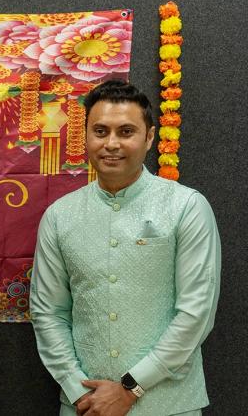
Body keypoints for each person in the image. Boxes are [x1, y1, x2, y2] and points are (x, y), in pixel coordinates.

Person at [30, 80, 221, 416]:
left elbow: (196, 314)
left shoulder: (186, 207)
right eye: (100, 131)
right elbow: (48, 313)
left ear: (149, 137)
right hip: (84, 406)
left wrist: (132, 388)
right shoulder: (60, 216)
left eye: (126, 131)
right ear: (85, 136)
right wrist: (77, 390)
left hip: (170, 405)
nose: (111, 144)